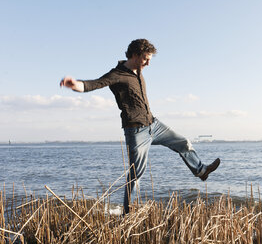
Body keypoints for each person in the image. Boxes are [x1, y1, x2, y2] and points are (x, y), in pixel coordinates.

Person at [60, 39, 220, 214]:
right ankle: (128, 213)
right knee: (136, 175)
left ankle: (201, 171)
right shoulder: (117, 74)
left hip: (154, 124)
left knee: (184, 142)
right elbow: (94, 84)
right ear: (135, 55)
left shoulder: (138, 72)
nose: (148, 63)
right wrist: (75, 84)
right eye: (145, 58)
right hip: (136, 131)